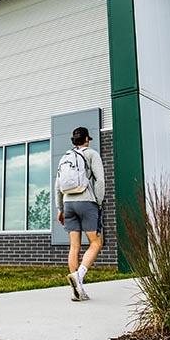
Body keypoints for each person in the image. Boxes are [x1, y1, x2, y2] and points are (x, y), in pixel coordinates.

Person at [55, 126, 105, 301]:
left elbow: (58, 185)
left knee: (74, 247)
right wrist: (98, 202)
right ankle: (80, 275)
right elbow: (100, 180)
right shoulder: (91, 154)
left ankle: (78, 291)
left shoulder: (65, 157)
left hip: (68, 203)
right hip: (86, 202)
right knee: (96, 243)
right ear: (87, 139)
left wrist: (60, 208)